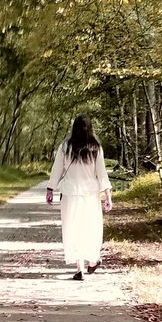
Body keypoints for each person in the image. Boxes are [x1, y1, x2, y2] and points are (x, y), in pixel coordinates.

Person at [46, 116, 113, 280]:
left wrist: (50, 189)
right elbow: (101, 173)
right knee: (90, 228)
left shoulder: (65, 146)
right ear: (90, 128)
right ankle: (92, 260)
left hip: (69, 194)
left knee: (72, 228)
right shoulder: (95, 147)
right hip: (90, 195)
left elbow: (57, 170)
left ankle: (80, 269)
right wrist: (108, 196)